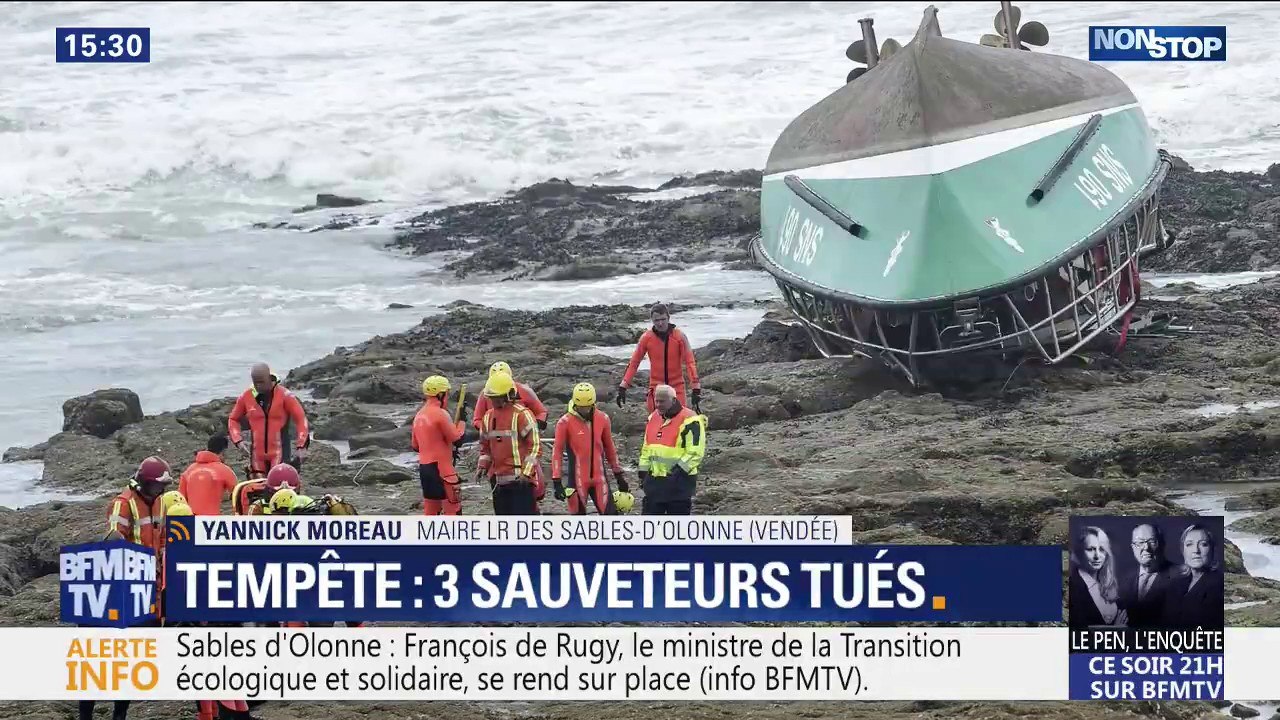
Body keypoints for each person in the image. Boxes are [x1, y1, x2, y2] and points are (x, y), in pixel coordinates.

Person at [84, 457, 172, 720]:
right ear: (145, 482)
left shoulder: (159, 502)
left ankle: (120, 713)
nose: (161, 490)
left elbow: (164, 538)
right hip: (126, 587)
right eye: (158, 486)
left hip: (150, 588)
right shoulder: (123, 504)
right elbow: (113, 541)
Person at [473, 361, 548, 505]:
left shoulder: (521, 414)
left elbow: (535, 447)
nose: (493, 402)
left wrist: (526, 473)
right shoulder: (488, 417)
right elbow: (485, 447)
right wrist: (482, 466)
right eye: (492, 398)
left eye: (496, 398)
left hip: (521, 480)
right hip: (499, 479)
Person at [552, 382, 628, 515]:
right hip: (577, 480)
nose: (584, 410)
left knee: (611, 519)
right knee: (578, 524)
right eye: (581, 407)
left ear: (593, 404)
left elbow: (609, 447)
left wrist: (618, 474)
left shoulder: (603, 419)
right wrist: (557, 480)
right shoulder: (564, 422)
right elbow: (557, 451)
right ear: (575, 404)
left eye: (587, 407)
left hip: (600, 479)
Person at [227, 362, 310, 477]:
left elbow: (301, 419)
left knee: (278, 487)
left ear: (269, 378)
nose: (258, 386)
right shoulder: (246, 397)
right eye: (255, 382)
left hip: (279, 452)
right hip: (257, 455)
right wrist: (238, 441)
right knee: (257, 489)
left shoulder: (285, 395)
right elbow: (233, 419)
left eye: (261, 382)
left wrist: (301, 446)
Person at [618, 303, 702, 414]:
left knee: (679, 423)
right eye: (656, 320)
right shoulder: (646, 338)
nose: (660, 323)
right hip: (656, 390)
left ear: (669, 318)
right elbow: (634, 363)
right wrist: (623, 386)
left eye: (663, 319)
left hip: (677, 388)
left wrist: (695, 388)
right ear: (652, 320)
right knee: (655, 425)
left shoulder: (679, 337)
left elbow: (690, 362)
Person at [636, 384, 706, 515]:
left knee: (678, 531)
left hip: (679, 485)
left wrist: (678, 472)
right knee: (649, 530)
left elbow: (695, 451)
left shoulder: (691, 419)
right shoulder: (653, 418)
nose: (658, 404)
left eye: (662, 401)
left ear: (673, 400)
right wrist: (643, 474)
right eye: (656, 401)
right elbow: (647, 448)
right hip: (654, 483)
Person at [413, 375, 467, 515]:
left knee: (431, 512)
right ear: (441, 394)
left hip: (425, 471)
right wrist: (462, 421)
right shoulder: (440, 414)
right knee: (453, 512)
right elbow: (457, 438)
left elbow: (415, 445)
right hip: (443, 472)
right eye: (447, 394)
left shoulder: (419, 415)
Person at [1162, 523, 1226, 629]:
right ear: (1183, 551)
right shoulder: (1176, 585)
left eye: (1203, 544)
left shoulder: (1219, 584)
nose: (1196, 550)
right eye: (1189, 544)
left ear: (1212, 550)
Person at [1119, 523, 1178, 627]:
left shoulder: (1180, 576)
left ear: (1162, 544)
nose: (1146, 547)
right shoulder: (1125, 581)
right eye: (1140, 542)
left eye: (1152, 541)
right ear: (1133, 547)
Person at [1068, 526, 1128, 628]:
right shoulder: (1072, 586)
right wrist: (1113, 630)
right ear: (1080, 552)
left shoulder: (1110, 582)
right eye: (1090, 549)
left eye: (1102, 549)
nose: (1097, 556)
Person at [179, 435, 239, 515]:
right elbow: (239, 495)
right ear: (224, 451)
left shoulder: (189, 470)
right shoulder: (224, 470)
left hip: (189, 521)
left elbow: (180, 499)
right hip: (211, 523)